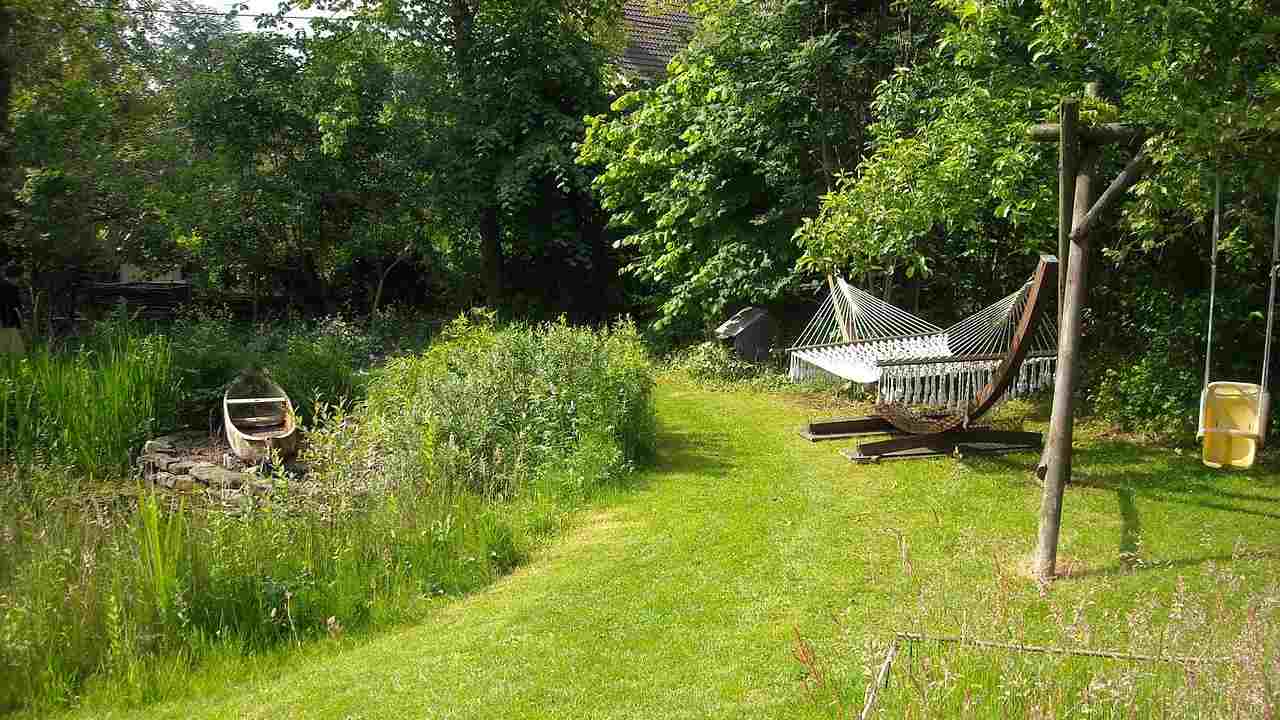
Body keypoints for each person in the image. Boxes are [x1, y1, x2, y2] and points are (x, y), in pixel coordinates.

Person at [0, 264, 24, 354]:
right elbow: (14, 308)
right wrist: (19, 325)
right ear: (17, 276)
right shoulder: (10, 288)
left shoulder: (4, 286)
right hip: (8, 324)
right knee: (17, 353)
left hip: (5, 323)